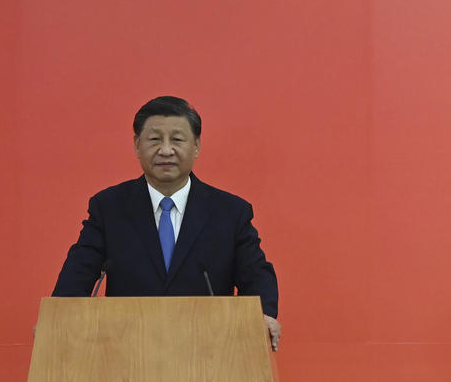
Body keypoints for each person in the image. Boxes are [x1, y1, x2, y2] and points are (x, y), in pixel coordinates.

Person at [52, 96, 281, 349]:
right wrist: (58, 319)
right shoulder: (109, 207)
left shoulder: (230, 212)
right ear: (137, 145)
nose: (166, 150)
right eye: (154, 139)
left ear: (196, 146)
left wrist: (263, 314)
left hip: (210, 356)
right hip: (126, 353)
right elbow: (78, 272)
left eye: (177, 139)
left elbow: (256, 274)